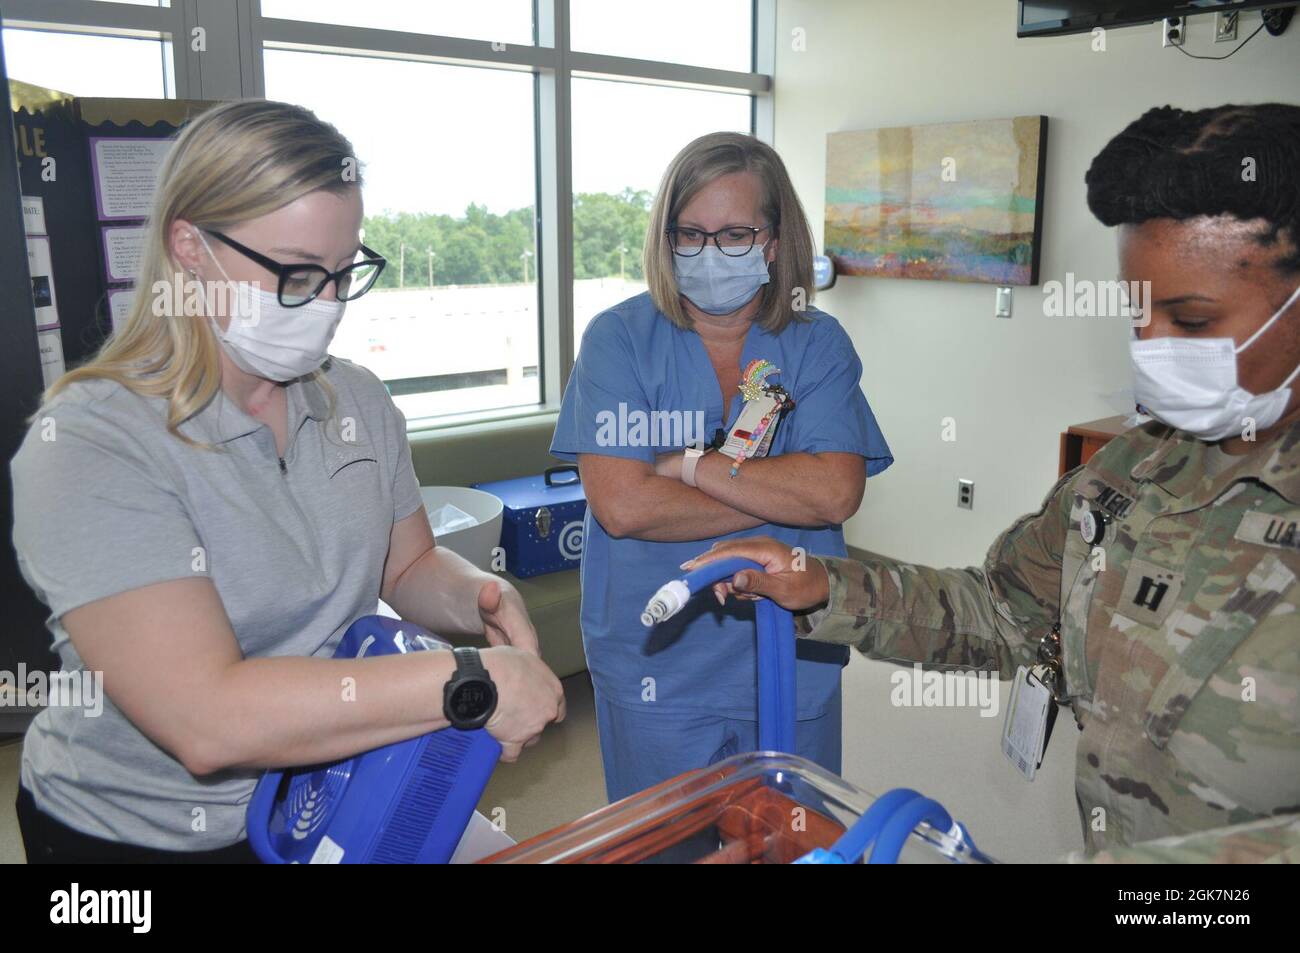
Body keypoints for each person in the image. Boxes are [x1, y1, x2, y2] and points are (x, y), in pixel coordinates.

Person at [684, 104, 1300, 863]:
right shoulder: (1133, 473)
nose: (1155, 350)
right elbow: (1002, 609)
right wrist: (822, 585)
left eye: (1195, 322)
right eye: (1139, 317)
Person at [10, 100, 564, 863]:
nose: (328, 305)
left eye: (344, 273)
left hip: (328, 785)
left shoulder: (356, 399)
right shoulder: (92, 442)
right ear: (190, 247)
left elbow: (405, 565)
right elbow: (207, 719)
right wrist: (468, 679)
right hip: (140, 835)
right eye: (298, 275)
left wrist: (480, 595)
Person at [551, 132, 893, 802]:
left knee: (791, 838)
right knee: (666, 846)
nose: (710, 253)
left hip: (794, 650)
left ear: (772, 241)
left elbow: (835, 491)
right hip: (656, 657)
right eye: (691, 234)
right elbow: (624, 505)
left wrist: (687, 467)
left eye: (735, 233)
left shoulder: (816, 342)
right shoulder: (618, 340)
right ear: (666, 237)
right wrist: (783, 487)